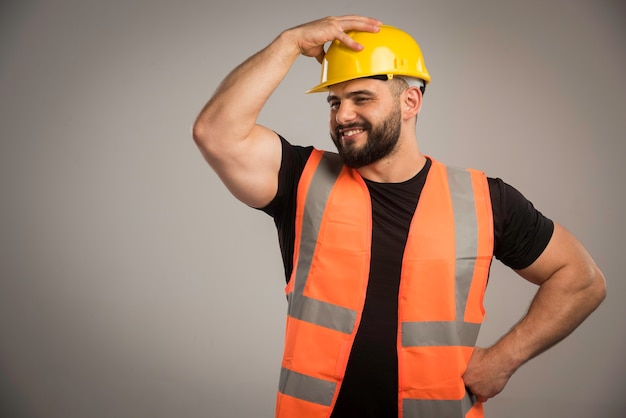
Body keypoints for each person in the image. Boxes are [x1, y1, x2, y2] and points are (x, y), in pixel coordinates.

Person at [192, 15, 606, 418]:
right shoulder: (300, 179)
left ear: (410, 101)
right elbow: (216, 133)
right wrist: (289, 43)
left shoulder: (484, 199)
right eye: (335, 101)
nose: (342, 116)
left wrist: (504, 359)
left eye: (362, 98)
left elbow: (581, 280)